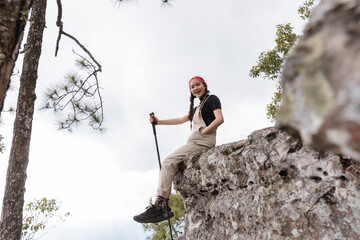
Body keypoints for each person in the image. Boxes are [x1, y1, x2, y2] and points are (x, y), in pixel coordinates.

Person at [133, 76, 224, 223]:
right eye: (192, 87)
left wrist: (203, 132)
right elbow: (181, 120)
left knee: (168, 162)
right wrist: (159, 122)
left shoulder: (212, 99)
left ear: (204, 85)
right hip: (195, 142)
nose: (196, 88)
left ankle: (160, 207)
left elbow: (219, 119)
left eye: (198, 85)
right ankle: (161, 205)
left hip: (202, 142)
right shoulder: (196, 109)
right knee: (172, 163)